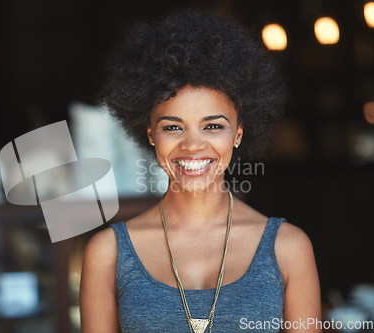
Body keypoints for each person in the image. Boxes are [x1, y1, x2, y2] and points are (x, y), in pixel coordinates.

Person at [80, 8, 321, 333]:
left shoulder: (288, 249)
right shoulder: (107, 254)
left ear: (238, 132)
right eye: (173, 127)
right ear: (150, 133)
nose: (193, 146)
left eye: (212, 126)